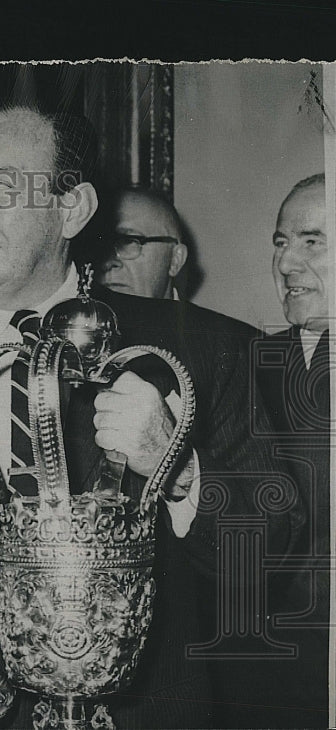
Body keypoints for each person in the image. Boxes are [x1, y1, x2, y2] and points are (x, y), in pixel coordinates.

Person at [0, 106, 300, 728]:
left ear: (73, 208)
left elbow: (267, 563)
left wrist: (173, 467)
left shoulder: (201, 349)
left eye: (0, 187)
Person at [217, 173, 330, 728]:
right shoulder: (243, 362)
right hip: (261, 671)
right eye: (281, 243)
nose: (286, 265)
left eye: (312, 241)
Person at [96, 188, 189, 299]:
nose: (107, 263)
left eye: (128, 241)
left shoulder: (205, 317)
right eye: (99, 245)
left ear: (175, 260)